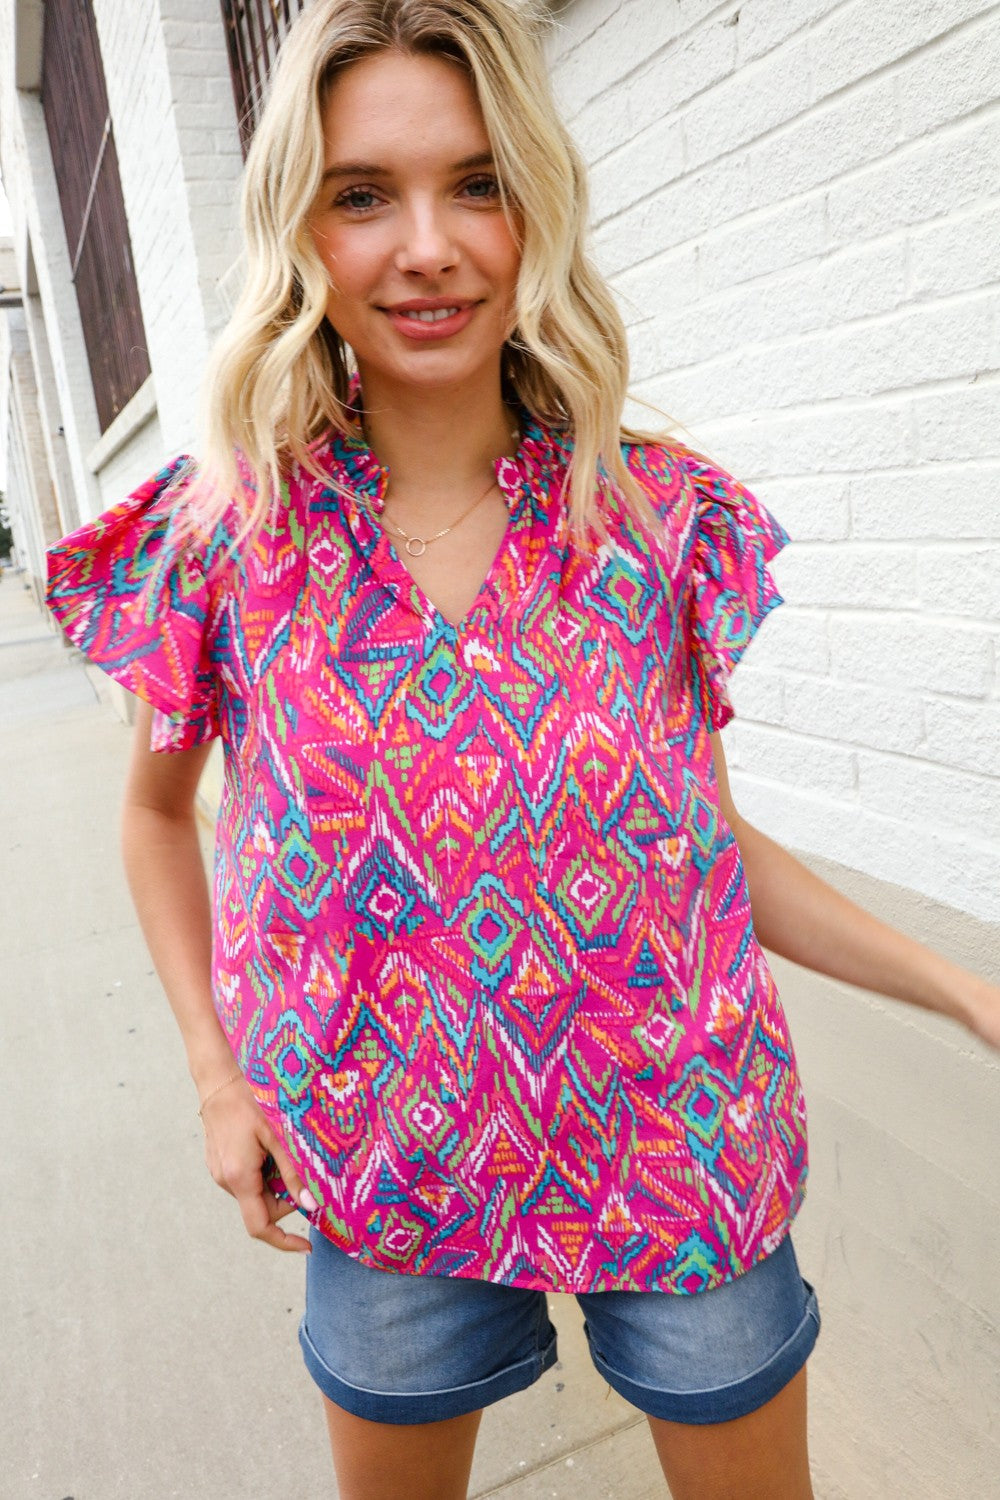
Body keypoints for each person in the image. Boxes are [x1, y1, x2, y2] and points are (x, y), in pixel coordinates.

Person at [44, 2, 1000, 1497]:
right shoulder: (230, 532)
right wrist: (218, 1080)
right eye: (364, 194)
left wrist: (961, 989)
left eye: (477, 184)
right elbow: (160, 822)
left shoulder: (658, 517)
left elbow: (706, 849)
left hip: (680, 1150)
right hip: (379, 1167)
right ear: (300, 223)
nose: (427, 245)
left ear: (535, 207)